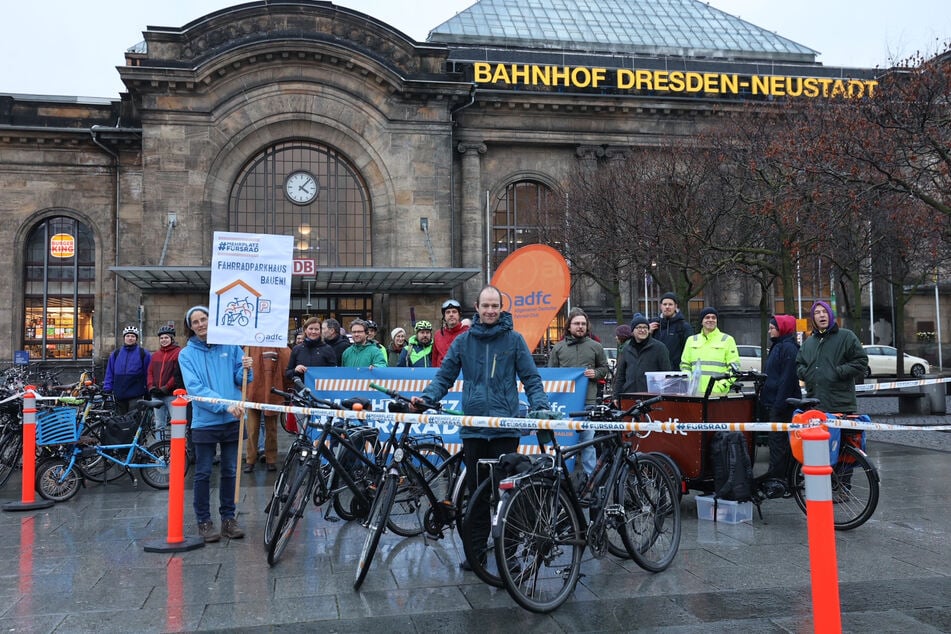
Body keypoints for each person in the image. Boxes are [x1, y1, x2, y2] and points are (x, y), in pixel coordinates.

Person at [415, 285, 552, 571]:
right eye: (485, 306)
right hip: (474, 431)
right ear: (476, 308)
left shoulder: (514, 340)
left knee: (507, 496)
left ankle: (508, 557)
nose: (490, 310)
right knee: (477, 497)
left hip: (504, 431)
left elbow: (532, 379)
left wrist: (540, 403)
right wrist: (427, 399)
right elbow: (445, 376)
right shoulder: (463, 342)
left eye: (495, 306)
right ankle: (475, 554)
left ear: (501, 308)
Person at [177, 306, 252, 543]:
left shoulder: (230, 346)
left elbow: (240, 379)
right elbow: (195, 389)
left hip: (233, 419)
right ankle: (204, 521)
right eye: (195, 322)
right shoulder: (186, 355)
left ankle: (228, 519)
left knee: (230, 471)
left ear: (212, 320)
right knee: (203, 473)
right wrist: (224, 405)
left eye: (204, 319)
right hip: (205, 421)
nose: (201, 324)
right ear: (190, 326)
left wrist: (246, 368)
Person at [547, 308, 608, 475]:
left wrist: (595, 373)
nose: (580, 327)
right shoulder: (558, 348)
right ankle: (561, 478)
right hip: (565, 404)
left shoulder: (596, 347)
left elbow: (605, 369)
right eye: (576, 323)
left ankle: (591, 481)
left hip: (588, 402)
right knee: (563, 443)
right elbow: (551, 374)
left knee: (588, 443)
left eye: (583, 324)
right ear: (569, 326)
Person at [796, 300, 868, 414]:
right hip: (814, 405)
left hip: (840, 405)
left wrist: (838, 372)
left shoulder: (846, 336)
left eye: (824, 311)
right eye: (817, 312)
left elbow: (861, 361)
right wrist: (807, 373)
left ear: (830, 314)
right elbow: (799, 364)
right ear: (813, 318)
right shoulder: (808, 342)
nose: (821, 315)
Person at [757, 315, 801, 498]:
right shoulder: (779, 345)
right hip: (775, 402)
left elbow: (786, 380)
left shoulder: (788, 348)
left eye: (772, 327)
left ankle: (780, 481)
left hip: (782, 405)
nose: (769, 331)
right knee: (778, 443)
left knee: (779, 444)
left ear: (782, 328)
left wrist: (778, 404)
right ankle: (781, 479)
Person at [244, 345, 291, 473]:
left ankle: (271, 459)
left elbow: (286, 365)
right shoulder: (250, 345)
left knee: (271, 429)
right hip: (254, 391)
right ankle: (250, 460)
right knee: (253, 430)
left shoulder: (278, 344)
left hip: (271, 392)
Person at [680, 307, 739, 395]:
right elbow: (685, 365)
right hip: (695, 392)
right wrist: (690, 383)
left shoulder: (727, 340)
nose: (710, 320)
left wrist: (720, 386)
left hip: (718, 394)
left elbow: (734, 368)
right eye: (707, 317)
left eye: (713, 317)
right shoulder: (691, 340)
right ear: (701, 321)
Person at [613, 314, 672, 396]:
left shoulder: (659, 348)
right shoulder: (626, 349)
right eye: (639, 327)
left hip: (652, 396)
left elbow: (666, 373)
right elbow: (620, 375)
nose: (642, 330)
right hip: (630, 395)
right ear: (633, 331)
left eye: (645, 327)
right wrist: (616, 395)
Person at [104, 325, 152, 414]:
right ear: (124, 338)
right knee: (120, 421)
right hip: (119, 393)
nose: (130, 338)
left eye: (133, 336)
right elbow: (109, 372)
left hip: (136, 393)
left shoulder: (144, 354)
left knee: (133, 420)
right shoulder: (116, 354)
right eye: (128, 336)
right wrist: (108, 387)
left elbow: (148, 373)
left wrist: (148, 390)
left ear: (136, 339)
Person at [146, 324, 183, 430]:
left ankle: (177, 446)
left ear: (172, 338)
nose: (163, 340)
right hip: (157, 394)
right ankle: (159, 445)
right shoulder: (156, 355)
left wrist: (166, 387)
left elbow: (177, 374)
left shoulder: (178, 352)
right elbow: (150, 372)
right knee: (159, 424)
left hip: (171, 394)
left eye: (166, 337)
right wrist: (151, 387)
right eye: (161, 338)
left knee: (177, 423)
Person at [648, 292, 694, 368]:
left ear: (675, 306)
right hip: (656, 373)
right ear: (660, 306)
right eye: (665, 304)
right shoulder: (652, 325)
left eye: (670, 304)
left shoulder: (684, 327)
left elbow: (690, 351)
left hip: (676, 373)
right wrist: (648, 334)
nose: (667, 307)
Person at [287, 317, 338, 382]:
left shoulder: (328, 349)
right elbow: (288, 374)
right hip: (301, 390)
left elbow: (334, 373)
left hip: (321, 390)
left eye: (316, 329)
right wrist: (295, 370)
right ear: (305, 330)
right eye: (310, 329)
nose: (313, 332)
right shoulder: (297, 349)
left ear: (320, 331)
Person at [433, 298, 469, 367]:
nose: (451, 314)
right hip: (442, 374)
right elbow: (434, 359)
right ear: (444, 316)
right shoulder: (438, 334)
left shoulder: (467, 333)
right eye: (448, 312)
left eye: (454, 312)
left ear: (459, 315)